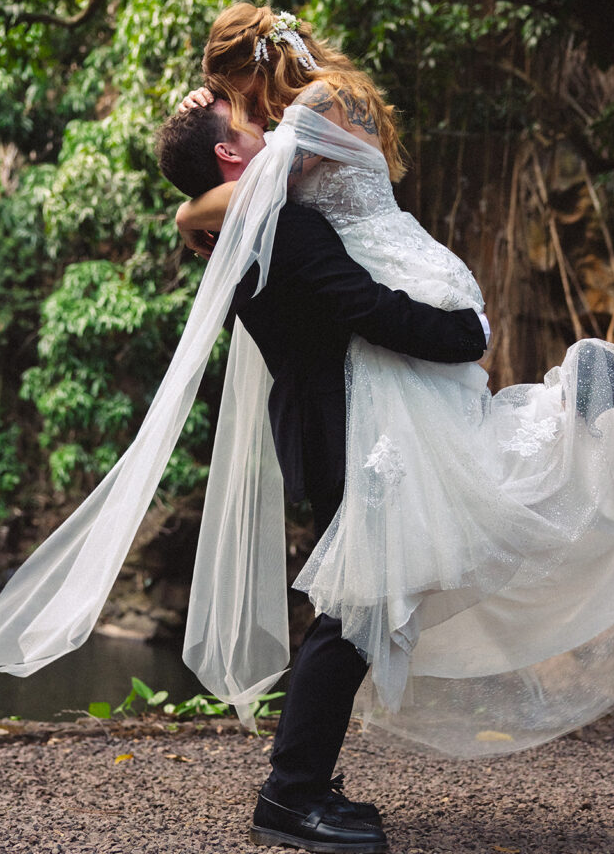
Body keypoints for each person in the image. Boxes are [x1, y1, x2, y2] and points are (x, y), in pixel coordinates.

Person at [173, 3, 614, 765]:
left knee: (431, 513)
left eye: (232, 87)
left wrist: (183, 205)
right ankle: (579, 405)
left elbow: (243, 187)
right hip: (402, 279)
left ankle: (294, 785)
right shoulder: (330, 98)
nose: (243, 110)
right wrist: (210, 132)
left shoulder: (318, 109)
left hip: (394, 288)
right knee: (466, 466)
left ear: (254, 69)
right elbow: (249, 176)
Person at [156, 98, 491, 852]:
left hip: (335, 427)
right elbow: (362, 307)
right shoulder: (287, 226)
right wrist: (462, 335)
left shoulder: (238, 226)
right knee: (358, 605)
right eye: (252, 128)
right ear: (230, 158)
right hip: (346, 430)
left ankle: (301, 784)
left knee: (363, 604)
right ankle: (290, 796)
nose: (274, 133)